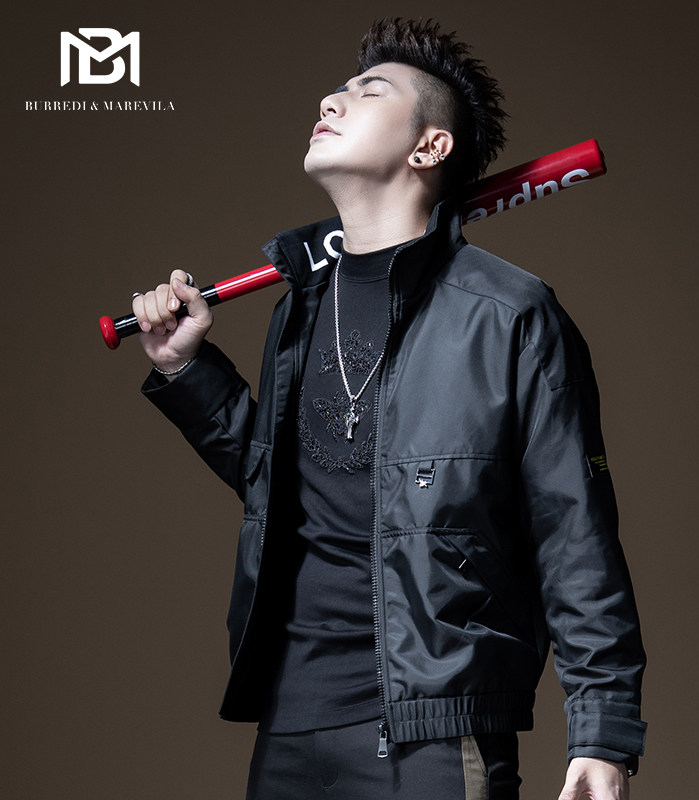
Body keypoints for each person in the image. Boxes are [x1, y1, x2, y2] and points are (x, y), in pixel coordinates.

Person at [131, 18, 646, 800]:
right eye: (338, 89)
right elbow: (285, 489)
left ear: (429, 147)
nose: (331, 101)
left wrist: (602, 730)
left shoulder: (508, 314)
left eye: (369, 91)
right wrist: (185, 367)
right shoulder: (301, 310)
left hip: (430, 729)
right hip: (291, 723)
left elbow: (574, 531)